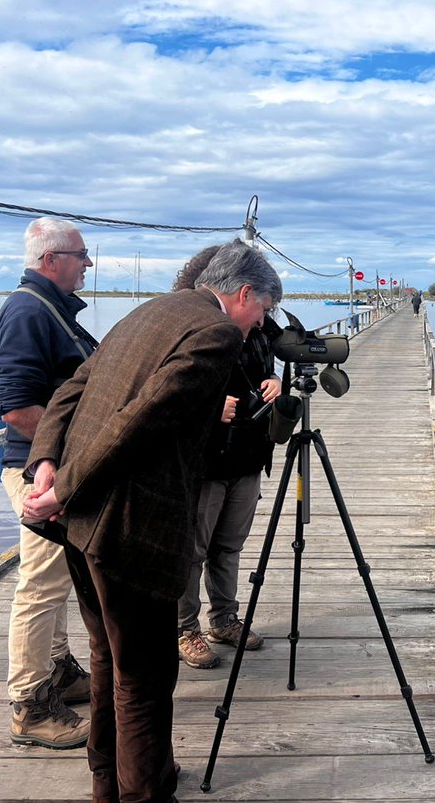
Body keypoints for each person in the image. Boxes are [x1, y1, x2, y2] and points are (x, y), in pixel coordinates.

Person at [23, 239, 282, 803]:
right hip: (130, 527)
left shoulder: (150, 311)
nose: (258, 326)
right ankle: (145, 792)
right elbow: (143, 420)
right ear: (243, 295)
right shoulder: (215, 334)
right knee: (144, 676)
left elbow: (72, 390)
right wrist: (59, 487)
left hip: (82, 523)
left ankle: (108, 784)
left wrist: (45, 464)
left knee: (106, 655)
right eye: (260, 312)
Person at [0, 217, 98, 749]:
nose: (88, 264)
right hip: (40, 470)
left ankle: (60, 672)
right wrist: (61, 457)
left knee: (57, 580)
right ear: (50, 260)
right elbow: (15, 406)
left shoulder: (49, 310)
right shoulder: (30, 310)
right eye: (81, 255)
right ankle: (29, 706)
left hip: (52, 466)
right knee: (41, 587)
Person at [169, 249, 281, 669]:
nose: (263, 318)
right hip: (205, 459)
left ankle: (224, 618)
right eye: (263, 308)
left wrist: (274, 380)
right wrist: (212, 405)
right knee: (192, 549)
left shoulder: (261, 332)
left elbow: (268, 367)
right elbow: (168, 390)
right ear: (242, 292)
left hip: (249, 454)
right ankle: (185, 628)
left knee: (229, 545)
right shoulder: (197, 329)